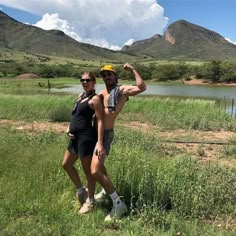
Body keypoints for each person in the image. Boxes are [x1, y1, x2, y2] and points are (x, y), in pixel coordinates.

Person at [90, 63, 146, 221]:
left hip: (105, 135)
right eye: (104, 75)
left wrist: (133, 69)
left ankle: (118, 203)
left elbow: (142, 87)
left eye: (109, 74)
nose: (107, 77)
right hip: (95, 132)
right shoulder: (101, 93)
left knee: (95, 171)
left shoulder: (121, 91)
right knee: (99, 167)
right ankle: (104, 191)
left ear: (115, 76)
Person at [62, 72, 104, 214]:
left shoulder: (95, 99)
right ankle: (81, 191)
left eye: (88, 80)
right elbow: (75, 115)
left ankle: (90, 201)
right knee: (66, 164)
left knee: (88, 172)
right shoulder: (80, 96)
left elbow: (100, 121)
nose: (84, 82)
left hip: (86, 139)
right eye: (82, 80)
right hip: (74, 138)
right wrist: (69, 127)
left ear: (93, 82)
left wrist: (99, 142)